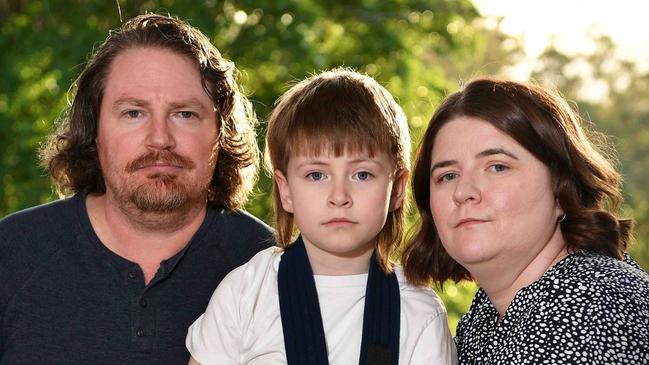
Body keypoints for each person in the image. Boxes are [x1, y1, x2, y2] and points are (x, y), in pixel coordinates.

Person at [0, 13, 273, 364]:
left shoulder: (272, 268)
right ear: (94, 131)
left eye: (185, 114)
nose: (160, 139)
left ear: (221, 135)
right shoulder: (12, 255)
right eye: (133, 113)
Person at [185, 68, 458, 365]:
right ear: (285, 189)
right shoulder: (245, 293)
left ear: (397, 189)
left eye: (362, 174)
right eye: (316, 175)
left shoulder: (418, 311)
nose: (339, 196)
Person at [402, 77, 649, 364]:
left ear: (560, 187)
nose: (463, 192)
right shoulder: (487, 317)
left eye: (497, 167)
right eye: (448, 175)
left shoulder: (590, 305)